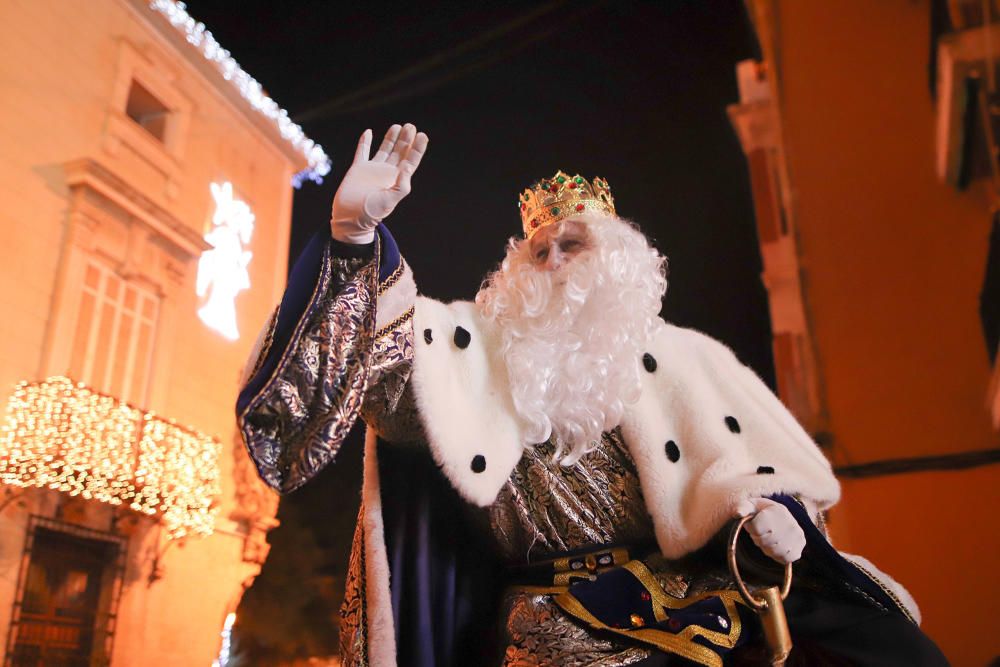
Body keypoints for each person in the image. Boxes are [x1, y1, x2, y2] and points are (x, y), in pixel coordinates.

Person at [237, 124, 946, 666]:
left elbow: (748, 472)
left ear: (620, 259)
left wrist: (766, 514)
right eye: (537, 252)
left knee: (887, 645)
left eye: (571, 245)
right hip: (549, 627)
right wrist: (354, 238)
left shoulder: (690, 360)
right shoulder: (474, 352)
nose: (553, 264)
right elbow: (386, 375)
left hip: (695, 599)